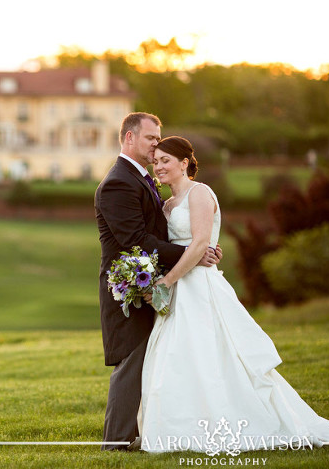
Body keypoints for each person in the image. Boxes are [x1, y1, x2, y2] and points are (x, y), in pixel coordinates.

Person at [138, 136, 329, 452]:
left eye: (165, 160)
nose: (158, 166)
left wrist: (168, 281)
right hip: (177, 293)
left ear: (184, 163)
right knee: (177, 357)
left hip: (199, 287)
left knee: (214, 355)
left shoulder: (200, 194)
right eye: (155, 161)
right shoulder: (168, 205)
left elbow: (200, 243)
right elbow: (175, 247)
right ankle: (180, 429)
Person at [94, 113, 221, 451]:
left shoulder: (141, 178)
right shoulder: (119, 181)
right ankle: (115, 442)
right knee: (132, 359)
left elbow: (158, 231)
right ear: (130, 138)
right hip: (131, 287)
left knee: (155, 360)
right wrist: (191, 252)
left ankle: (144, 432)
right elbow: (134, 238)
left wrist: (195, 247)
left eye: (158, 139)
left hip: (154, 282)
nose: (155, 145)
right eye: (151, 139)